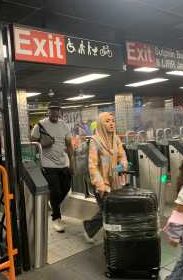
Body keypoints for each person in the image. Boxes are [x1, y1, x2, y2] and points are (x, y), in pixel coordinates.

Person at [83, 112, 128, 243]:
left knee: (110, 208)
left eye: (113, 121)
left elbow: (122, 155)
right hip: (100, 182)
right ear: (101, 124)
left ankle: (108, 232)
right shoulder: (95, 141)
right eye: (107, 121)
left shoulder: (116, 139)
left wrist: (123, 165)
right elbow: (92, 165)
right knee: (107, 209)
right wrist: (100, 184)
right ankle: (90, 228)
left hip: (114, 181)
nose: (111, 123)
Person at [31, 101, 73, 233]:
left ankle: (53, 203)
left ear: (60, 112)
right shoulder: (40, 125)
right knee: (56, 191)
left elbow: (69, 144)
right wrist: (42, 143)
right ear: (47, 111)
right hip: (48, 164)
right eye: (52, 110)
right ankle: (56, 218)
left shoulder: (64, 126)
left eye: (57, 110)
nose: (55, 112)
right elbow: (32, 143)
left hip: (63, 163)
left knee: (66, 188)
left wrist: (72, 162)